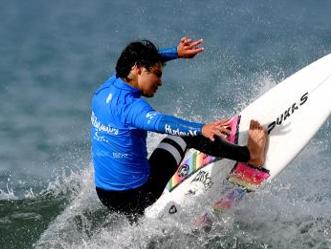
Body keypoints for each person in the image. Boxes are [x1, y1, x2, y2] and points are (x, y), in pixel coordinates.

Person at [90, 37, 267, 218]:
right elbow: (162, 123)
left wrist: (175, 52)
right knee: (185, 136)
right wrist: (201, 128)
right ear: (138, 69)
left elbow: (147, 61)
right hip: (136, 196)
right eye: (157, 74)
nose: (160, 82)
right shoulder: (132, 108)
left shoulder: (106, 88)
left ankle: (135, 218)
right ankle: (250, 155)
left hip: (105, 195)